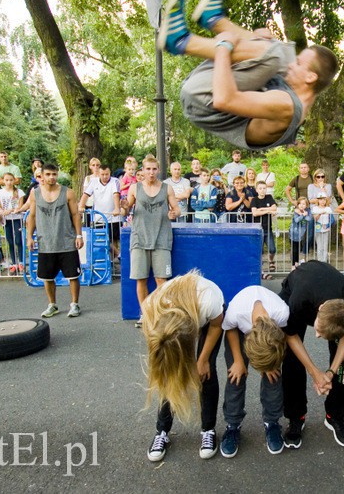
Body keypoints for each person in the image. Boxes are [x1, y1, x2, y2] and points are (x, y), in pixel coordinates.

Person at [158, 0, 338, 151]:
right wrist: (257, 41)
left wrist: (223, 47)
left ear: (310, 77)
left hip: (203, 99)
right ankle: (214, 20)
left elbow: (224, 99)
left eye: (299, 64)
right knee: (281, 52)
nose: (293, 65)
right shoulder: (299, 95)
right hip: (208, 93)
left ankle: (181, 42)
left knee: (275, 55)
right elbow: (276, 58)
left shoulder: (287, 105)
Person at [279, 260, 344, 449]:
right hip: (298, 288)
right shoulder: (299, 300)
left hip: (333, 296)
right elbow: (291, 336)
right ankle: (296, 417)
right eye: (318, 329)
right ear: (318, 311)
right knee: (292, 359)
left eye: (321, 334)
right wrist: (315, 372)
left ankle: (336, 416)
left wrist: (331, 372)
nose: (316, 336)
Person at [142, 272, 224, 462]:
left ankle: (208, 430)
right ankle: (162, 431)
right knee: (168, 373)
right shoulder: (151, 307)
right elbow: (158, 353)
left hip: (209, 320)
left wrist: (201, 360)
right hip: (170, 321)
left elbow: (216, 326)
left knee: (206, 371)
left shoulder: (209, 300)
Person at [220, 285, 288, 457]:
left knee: (273, 375)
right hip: (237, 332)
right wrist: (238, 360)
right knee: (236, 376)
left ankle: (272, 423)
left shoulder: (281, 312)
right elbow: (229, 329)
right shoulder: (236, 312)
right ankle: (233, 425)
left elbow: (281, 338)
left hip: (270, 335)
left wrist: (270, 365)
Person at [122, 155, 181, 327]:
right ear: (142, 170)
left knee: (161, 281)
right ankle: (145, 314)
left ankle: (159, 314)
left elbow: (176, 209)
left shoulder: (167, 188)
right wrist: (124, 207)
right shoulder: (135, 188)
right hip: (139, 239)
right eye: (148, 169)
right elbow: (126, 209)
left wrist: (174, 213)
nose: (151, 172)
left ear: (159, 170)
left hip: (162, 238)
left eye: (154, 169)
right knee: (140, 279)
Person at [25, 164, 84, 318]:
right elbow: (31, 216)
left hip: (66, 241)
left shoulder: (68, 192)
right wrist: (29, 237)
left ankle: (74, 304)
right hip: (45, 242)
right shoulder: (35, 193)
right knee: (47, 277)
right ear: (42, 176)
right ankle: (52, 305)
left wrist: (79, 235)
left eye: (54, 174)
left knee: (73, 276)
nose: (52, 177)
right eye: (48, 174)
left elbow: (75, 214)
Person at [80, 164, 121, 259]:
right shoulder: (93, 182)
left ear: (110, 173)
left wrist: (116, 208)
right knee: (103, 239)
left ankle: (115, 260)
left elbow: (116, 194)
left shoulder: (115, 181)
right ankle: (117, 254)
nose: (105, 177)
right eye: (102, 174)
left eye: (107, 174)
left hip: (113, 217)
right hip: (99, 217)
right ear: (99, 174)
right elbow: (85, 194)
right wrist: (81, 206)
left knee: (114, 240)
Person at [0, 173, 26, 274]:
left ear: (14, 181)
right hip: (7, 220)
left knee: (18, 240)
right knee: (10, 241)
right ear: (3, 181)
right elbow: (0, 205)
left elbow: (20, 206)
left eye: (11, 180)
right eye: (7, 180)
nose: (9, 182)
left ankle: (21, 262)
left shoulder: (19, 192)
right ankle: (13, 263)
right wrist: (1, 211)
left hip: (17, 218)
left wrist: (12, 210)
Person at [250, 180, 278, 276]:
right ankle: (260, 270)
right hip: (258, 230)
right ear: (257, 190)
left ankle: (271, 260)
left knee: (272, 249)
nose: (262, 190)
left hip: (267, 228)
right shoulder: (254, 200)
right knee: (259, 250)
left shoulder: (269, 197)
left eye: (264, 188)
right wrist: (268, 211)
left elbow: (274, 208)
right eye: (260, 188)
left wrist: (262, 209)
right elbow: (255, 213)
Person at [285, 162, 314, 252]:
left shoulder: (312, 178)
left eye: (305, 167)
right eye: (301, 167)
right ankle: (297, 248)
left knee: (309, 229)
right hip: (299, 207)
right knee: (297, 228)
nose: (303, 169)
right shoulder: (296, 179)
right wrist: (292, 201)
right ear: (299, 169)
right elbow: (287, 189)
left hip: (310, 206)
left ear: (308, 169)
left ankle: (306, 249)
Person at [310, 192, 333, 262]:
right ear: (318, 200)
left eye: (324, 199)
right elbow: (315, 219)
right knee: (319, 246)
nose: (322, 201)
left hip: (326, 229)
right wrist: (320, 213)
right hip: (318, 229)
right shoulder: (315, 208)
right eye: (320, 199)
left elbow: (332, 219)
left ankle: (324, 261)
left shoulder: (328, 208)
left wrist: (327, 225)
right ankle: (319, 260)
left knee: (325, 246)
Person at [289, 197, 312, 267]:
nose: (301, 205)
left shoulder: (308, 211)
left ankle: (296, 263)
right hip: (293, 233)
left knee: (298, 249)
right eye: (300, 204)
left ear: (306, 205)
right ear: (298, 204)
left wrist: (304, 215)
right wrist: (302, 215)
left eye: (304, 204)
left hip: (301, 234)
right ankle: (293, 265)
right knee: (294, 250)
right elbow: (296, 220)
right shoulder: (296, 211)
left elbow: (309, 218)